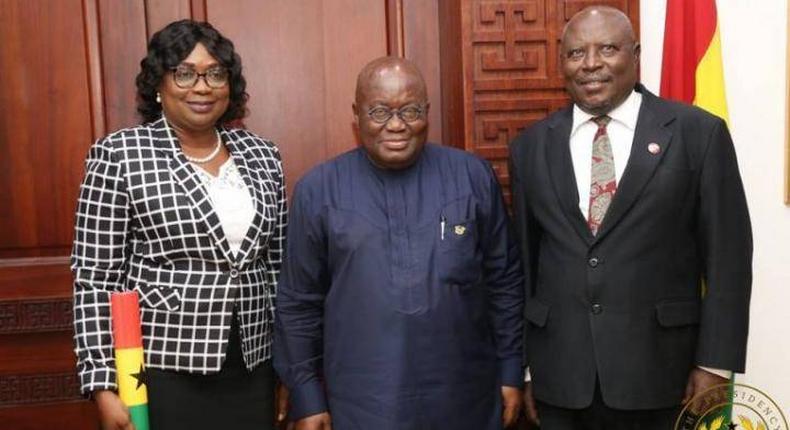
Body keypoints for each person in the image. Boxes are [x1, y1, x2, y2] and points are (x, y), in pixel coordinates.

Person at [508, 6, 752, 430]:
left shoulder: (697, 133)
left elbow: (728, 259)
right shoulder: (530, 147)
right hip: (560, 378)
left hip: (663, 374)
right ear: (561, 62)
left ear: (635, 54)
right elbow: (526, 265)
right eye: (575, 53)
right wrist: (528, 367)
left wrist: (715, 362)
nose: (590, 64)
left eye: (607, 49)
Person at [274, 57, 524, 430]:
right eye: (379, 112)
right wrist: (307, 396)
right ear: (356, 116)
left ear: (427, 111)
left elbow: (504, 282)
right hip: (361, 404)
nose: (396, 125)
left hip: (466, 397)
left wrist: (510, 370)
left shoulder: (471, 176)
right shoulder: (318, 190)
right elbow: (298, 304)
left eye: (409, 111)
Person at [71, 20, 287, 430]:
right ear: (159, 82)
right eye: (184, 73)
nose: (202, 87)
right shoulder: (119, 155)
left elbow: (277, 268)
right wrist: (103, 384)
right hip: (160, 369)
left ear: (230, 84)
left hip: (253, 366)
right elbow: (96, 277)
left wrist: (288, 367)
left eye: (215, 74)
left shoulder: (263, 155)